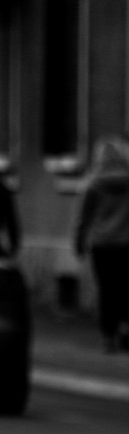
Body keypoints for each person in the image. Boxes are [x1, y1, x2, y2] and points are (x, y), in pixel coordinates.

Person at [73, 135, 129, 353]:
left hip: (102, 244)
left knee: (107, 289)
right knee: (126, 287)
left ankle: (108, 335)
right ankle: (126, 327)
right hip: (127, 242)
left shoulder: (93, 184)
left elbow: (84, 217)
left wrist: (79, 240)